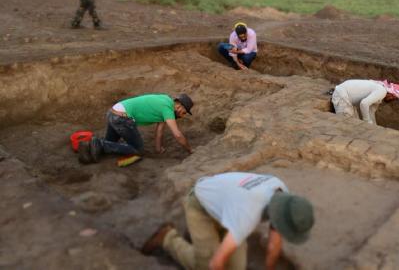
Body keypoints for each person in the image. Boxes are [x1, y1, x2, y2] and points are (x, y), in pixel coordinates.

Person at [141, 172, 314, 270]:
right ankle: (167, 238)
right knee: (204, 265)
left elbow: (274, 244)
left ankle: (218, 235)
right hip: (201, 205)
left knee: (237, 267)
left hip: (228, 207)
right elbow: (216, 264)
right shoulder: (247, 215)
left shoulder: (283, 194)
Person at [77, 93, 194, 164]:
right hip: (121, 118)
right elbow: (177, 134)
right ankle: (99, 143)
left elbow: (159, 131)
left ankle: (88, 146)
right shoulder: (167, 109)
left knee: (111, 143)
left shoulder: (165, 100)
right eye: (184, 112)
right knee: (138, 150)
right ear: (179, 106)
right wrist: (190, 150)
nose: (182, 115)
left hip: (113, 112)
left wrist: (158, 149)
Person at [331, 79, 399, 125]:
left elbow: (371, 112)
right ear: (392, 94)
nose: (392, 100)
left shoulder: (380, 91)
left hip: (347, 97)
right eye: (394, 98)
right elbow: (364, 104)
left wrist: (374, 128)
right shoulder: (382, 91)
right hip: (342, 95)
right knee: (347, 124)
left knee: (356, 123)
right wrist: (367, 121)